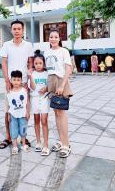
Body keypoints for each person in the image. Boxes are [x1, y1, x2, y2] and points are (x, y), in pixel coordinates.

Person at [0, 20, 34, 149]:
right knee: (8, 110)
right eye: (14, 29)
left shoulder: (28, 45)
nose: (17, 31)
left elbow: (30, 63)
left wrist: (28, 81)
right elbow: (3, 63)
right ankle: (8, 137)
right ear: (11, 30)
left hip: (24, 83)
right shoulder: (6, 45)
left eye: (19, 29)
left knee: (24, 110)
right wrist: (7, 81)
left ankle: (23, 136)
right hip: (11, 84)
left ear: (23, 30)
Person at [44, 29, 73, 158]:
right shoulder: (47, 52)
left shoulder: (64, 51)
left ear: (59, 38)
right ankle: (61, 141)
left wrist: (62, 85)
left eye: (56, 36)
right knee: (56, 112)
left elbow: (68, 68)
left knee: (62, 112)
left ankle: (66, 144)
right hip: (51, 81)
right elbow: (49, 69)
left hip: (61, 80)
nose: (53, 38)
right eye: (51, 37)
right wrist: (47, 86)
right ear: (48, 39)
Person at [28, 50, 49, 156]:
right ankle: (38, 142)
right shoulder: (32, 74)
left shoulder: (47, 74)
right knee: (36, 121)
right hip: (35, 99)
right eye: (36, 63)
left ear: (44, 63)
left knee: (44, 121)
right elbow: (32, 87)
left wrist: (46, 88)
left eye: (40, 63)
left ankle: (46, 144)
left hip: (45, 100)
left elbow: (50, 86)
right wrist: (30, 76)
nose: (38, 65)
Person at [7, 70, 30, 155]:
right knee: (13, 131)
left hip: (22, 115)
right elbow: (9, 105)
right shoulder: (9, 92)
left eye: (18, 80)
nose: (16, 82)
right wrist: (9, 115)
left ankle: (23, 144)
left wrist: (28, 112)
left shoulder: (24, 91)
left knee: (23, 130)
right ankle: (15, 146)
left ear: (21, 80)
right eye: (14, 79)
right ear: (11, 80)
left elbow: (27, 102)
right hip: (13, 115)